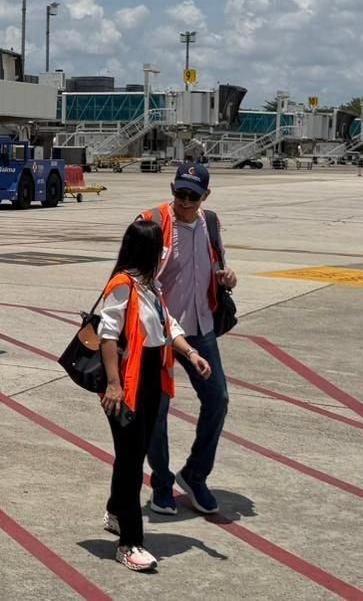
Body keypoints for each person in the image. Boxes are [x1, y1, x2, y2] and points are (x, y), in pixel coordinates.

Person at [98, 219, 212, 572]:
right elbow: (107, 336)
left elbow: (168, 325)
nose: (165, 253)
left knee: (131, 455)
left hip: (152, 379)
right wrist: (114, 384)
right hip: (127, 382)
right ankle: (129, 544)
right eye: (159, 248)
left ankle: (116, 512)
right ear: (146, 251)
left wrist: (191, 354)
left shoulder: (150, 286)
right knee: (132, 463)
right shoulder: (122, 286)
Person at [138, 162, 238, 517]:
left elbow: (215, 265)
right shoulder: (151, 222)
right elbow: (134, 277)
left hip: (200, 325)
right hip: (160, 332)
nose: (184, 201)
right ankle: (162, 483)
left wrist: (226, 277)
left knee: (218, 400)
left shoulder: (210, 223)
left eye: (192, 196)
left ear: (205, 196)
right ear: (172, 189)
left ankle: (195, 474)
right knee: (158, 410)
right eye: (179, 193)